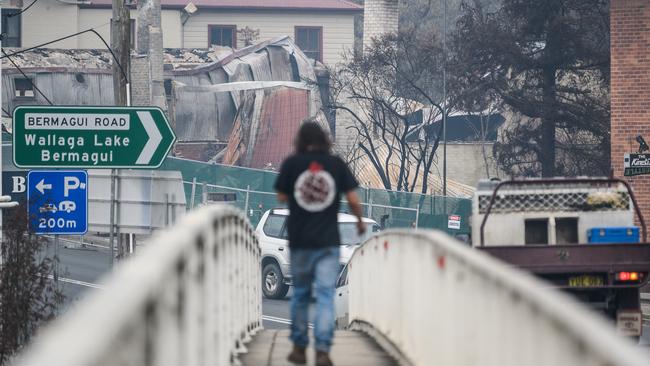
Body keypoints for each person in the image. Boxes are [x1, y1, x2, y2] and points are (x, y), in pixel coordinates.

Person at [274, 121, 365, 366]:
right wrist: (359, 223)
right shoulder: (336, 165)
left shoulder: (292, 164)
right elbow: (354, 199)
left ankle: (300, 347)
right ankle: (323, 349)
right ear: (325, 139)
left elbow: (282, 196)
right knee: (325, 295)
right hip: (328, 242)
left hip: (300, 241)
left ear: (301, 140)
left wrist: (300, 188)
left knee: (301, 295)